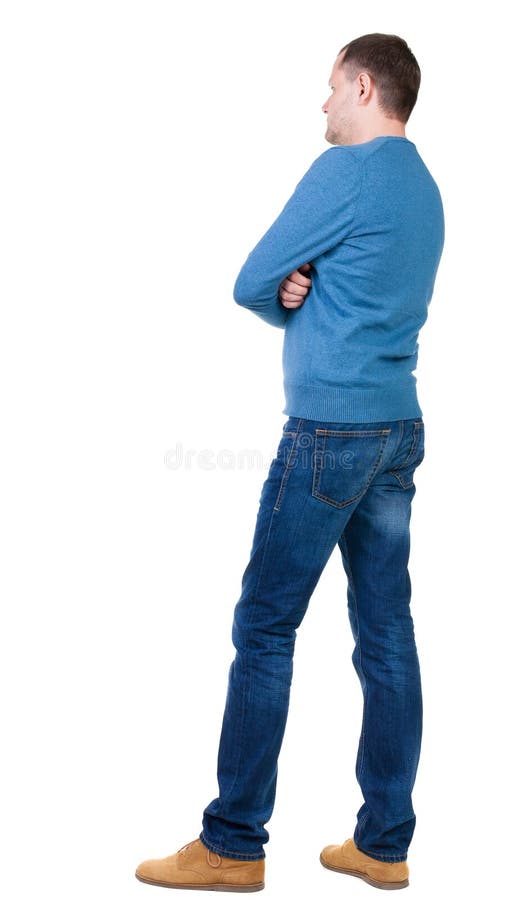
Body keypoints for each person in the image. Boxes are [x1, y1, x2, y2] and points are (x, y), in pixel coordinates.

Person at [135, 32, 445, 892]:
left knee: (265, 627)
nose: (322, 105)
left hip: (328, 434)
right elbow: (353, 297)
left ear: (360, 83)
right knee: (385, 635)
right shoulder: (423, 188)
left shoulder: (342, 175)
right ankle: (384, 844)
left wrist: (284, 295)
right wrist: (302, 293)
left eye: (329, 88)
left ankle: (232, 843)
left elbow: (248, 280)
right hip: (395, 431)